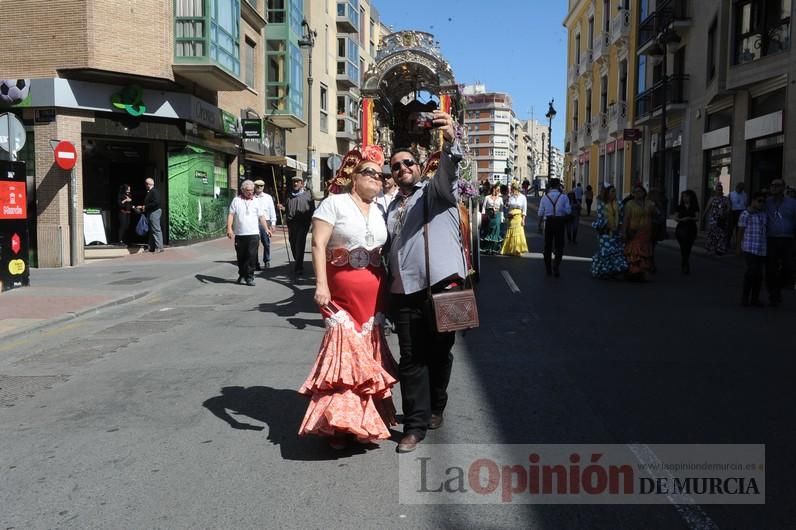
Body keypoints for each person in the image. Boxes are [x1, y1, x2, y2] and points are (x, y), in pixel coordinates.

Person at [298, 146, 398, 450]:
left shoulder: (381, 208)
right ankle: (339, 426)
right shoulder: (334, 203)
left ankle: (363, 423)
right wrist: (321, 285)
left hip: (373, 291)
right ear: (353, 176)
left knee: (366, 355)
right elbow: (318, 244)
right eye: (369, 173)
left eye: (380, 176)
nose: (377, 180)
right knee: (344, 356)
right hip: (339, 291)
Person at [385, 110, 466, 454]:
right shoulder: (389, 207)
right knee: (410, 358)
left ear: (419, 167)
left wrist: (450, 137)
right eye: (396, 166)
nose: (403, 169)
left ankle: (436, 405)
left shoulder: (436, 192)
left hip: (442, 287)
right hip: (403, 292)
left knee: (440, 354)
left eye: (408, 163)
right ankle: (415, 425)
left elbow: (449, 168)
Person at [227, 180, 269, 286]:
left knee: (251, 256)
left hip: (253, 234)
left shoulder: (256, 201)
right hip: (240, 234)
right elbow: (231, 215)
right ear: (242, 190)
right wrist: (229, 229)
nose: (250, 192)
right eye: (248, 190)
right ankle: (242, 275)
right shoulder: (236, 200)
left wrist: (266, 228)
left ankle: (250, 277)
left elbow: (261, 217)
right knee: (241, 256)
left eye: (252, 190)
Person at [764, 178, 796, 307]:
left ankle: (778, 285)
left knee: (789, 267)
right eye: (772, 185)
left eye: (777, 185)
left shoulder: (793, 203)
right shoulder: (766, 203)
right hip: (771, 239)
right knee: (771, 268)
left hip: (787, 239)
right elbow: (754, 210)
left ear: (783, 188)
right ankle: (774, 294)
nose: (774, 187)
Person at [737, 191, 768, 307]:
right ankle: (745, 299)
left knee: (759, 275)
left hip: (761, 249)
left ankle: (755, 299)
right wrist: (738, 247)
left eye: (763, 202)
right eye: (759, 201)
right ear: (753, 201)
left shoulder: (764, 214)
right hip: (750, 248)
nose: (761, 203)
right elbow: (740, 230)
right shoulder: (746, 214)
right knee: (751, 273)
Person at [279, 175, 315, 275]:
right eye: (294, 182)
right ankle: (298, 261)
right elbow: (286, 208)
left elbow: (312, 209)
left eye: (297, 182)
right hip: (291, 223)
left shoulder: (308, 194)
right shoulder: (288, 195)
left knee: (300, 244)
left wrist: (313, 221)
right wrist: (282, 208)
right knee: (293, 243)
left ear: (301, 183)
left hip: (303, 223)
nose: (295, 183)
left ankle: (298, 266)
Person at [591, 185, 628, 279]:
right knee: (606, 252)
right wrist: (603, 226)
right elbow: (600, 218)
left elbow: (623, 217)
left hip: (616, 233)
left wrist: (621, 229)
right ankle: (603, 271)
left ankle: (615, 271)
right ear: (607, 194)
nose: (614, 193)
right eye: (612, 192)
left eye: (615, 191)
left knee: (616, 252)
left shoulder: (619, 204)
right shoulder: (602, 205)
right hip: (605, 233)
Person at [537, 178, 571, 277]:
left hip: (549, 222)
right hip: (559, 222)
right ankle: (556, 264)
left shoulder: (545, 197)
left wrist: (539, 225)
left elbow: (540, 212)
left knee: (548, 245)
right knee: (559, 245)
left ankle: (548, 268)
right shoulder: (564, 197)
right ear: (558, 186)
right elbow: (568, 211)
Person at [623, 184, 656, 281]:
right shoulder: (630, 204)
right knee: (635, 251)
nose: (638, 194)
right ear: (633, 194)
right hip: (634, 232)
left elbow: (656, 213)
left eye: (640, 191)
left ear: (644, 193)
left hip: (646, 232)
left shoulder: (649, 203)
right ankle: (633, 272)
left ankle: (642, 273)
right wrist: (624, 232)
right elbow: (626, 218)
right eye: (635, 192)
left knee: (645, 252)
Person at [674, 190, 700, 275]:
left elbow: (697, 218)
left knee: (688, 247)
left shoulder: (694, 207)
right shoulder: (679, 207)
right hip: (681, 228)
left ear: (691, 197)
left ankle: (685, 261)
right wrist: (682, 219)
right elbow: (676, 218)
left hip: (691, 229)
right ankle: (685, 263)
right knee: (683, 246)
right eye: (684, 196)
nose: (685, 198)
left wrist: (689, 218)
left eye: (687, 196)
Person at [253, 179, 276, 270]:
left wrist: (273, 223)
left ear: (263, 187)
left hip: (266, 222)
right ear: (255, 187)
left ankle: (267, 260)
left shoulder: (268, 197)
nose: (259, 188)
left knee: (266, 243)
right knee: (255, 244)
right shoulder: (252, 197)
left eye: (261, 186)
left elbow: (272, 210)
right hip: (254, 222)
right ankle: (256, 263)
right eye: (257, 186)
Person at [501, 181, 528, 255]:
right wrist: (507, 215)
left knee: (518, 233)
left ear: (516, 189)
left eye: (513, 189)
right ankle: (511, 249)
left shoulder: (523, 197)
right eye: (512, 189)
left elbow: (524, 209)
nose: (512, 191)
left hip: (518, 217)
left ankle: (517, 249)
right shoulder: (511, 197)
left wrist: (523, 219)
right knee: (511, 232)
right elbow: (508, 207)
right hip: (511, 217)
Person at [703, 182, 731, 256]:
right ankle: (710, 248)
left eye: (720, 189)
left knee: (721, 234)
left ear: (722, 190)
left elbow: (729, 208)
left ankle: (720, 249)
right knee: (711, 234)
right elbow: (707, 208)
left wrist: (725, 213)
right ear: (715, 191)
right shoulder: (712, 198)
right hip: (713, 219)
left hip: (721, 219)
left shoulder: (725, 199)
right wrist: (703, 216)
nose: (719, 191)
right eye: (718, 190)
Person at [138, 177, 163, 252]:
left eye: (146, 184)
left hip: (154, 212)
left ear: (148, 184)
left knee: (156, 229)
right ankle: (151, 247)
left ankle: (159, 247)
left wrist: (145, 207)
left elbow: (156, 202)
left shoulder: (154, 191)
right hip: (151, 212)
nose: (145, 185)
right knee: (152, 230)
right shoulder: (150, 191)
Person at [481, 183, 503, 255]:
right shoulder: (487, 197)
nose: (498, 191)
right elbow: (484, 207)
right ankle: (488, 248)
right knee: (489, 231)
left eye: (499, 190)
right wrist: (483, 216)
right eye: (497, 189)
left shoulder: (500, 198)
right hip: (489, 215)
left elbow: (501, 209)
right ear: (493, 189)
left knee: (496, 231)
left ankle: (494, 249)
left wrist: (502, 218)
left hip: (497, 215)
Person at [729, 182, 748, 247]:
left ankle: (738, 244)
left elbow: (745, 203)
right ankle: (727, 243)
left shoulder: (745, 195)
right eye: (740, 188)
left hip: (742, 212)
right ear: (737, 187)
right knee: (730, 228)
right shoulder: (731, 194)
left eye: (742, 188)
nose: (741, 190)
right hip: (733, 212)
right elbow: (729, 204)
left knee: (739, 229)